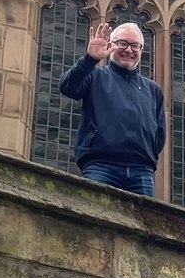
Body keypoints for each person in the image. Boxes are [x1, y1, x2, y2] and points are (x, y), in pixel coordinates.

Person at [58, 22, 166, 196]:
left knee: (140, 223)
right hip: (101, 166)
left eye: (135, 46)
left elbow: (159, 134)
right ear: (111, 45)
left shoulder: (153, 90)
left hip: (142, 172)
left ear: (142, 51)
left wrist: (147, 154)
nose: (129, 50)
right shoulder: (95, 75)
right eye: (122, 43)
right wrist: (89, 60)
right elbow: (68, 87)